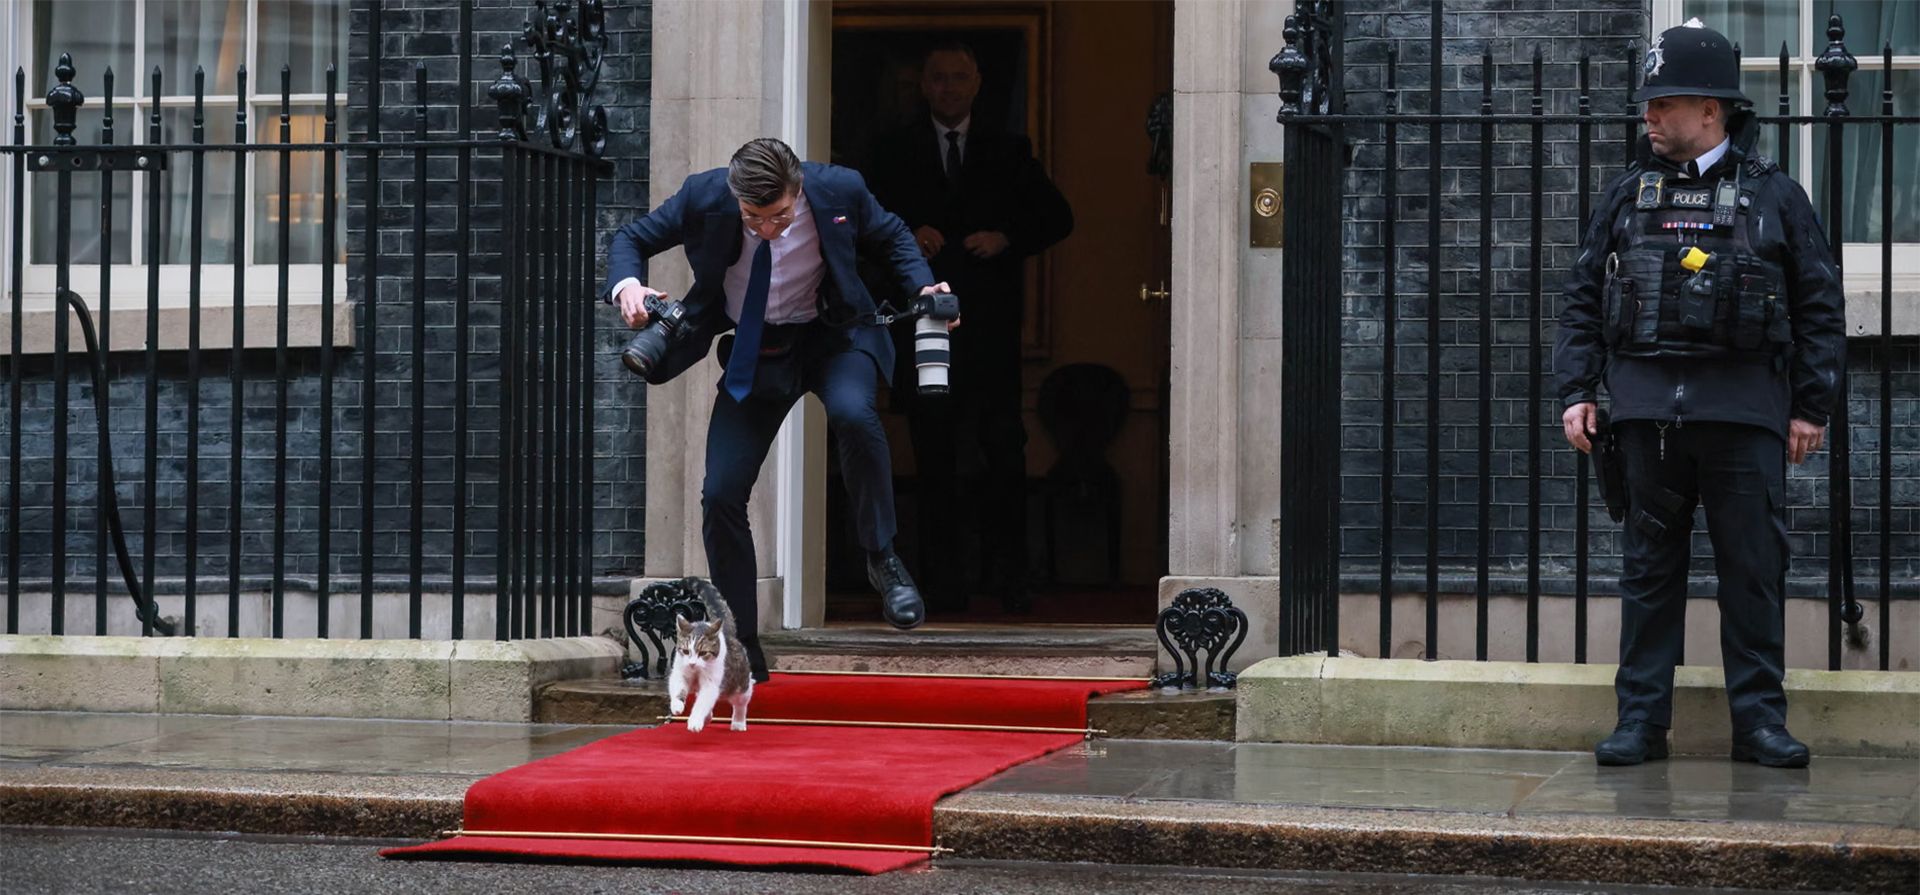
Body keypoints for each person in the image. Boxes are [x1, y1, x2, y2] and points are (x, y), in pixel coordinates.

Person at [1553, 20, 1845, 768]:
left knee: (1753, 574)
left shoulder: (1775, 196)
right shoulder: (1628, 193)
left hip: (1744, 414)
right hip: (1646, 415)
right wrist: (1578, 389)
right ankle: (1641, 723)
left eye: (1663, 105)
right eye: (1648, 106)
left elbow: (1819, 305)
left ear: (1710, 110)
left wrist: (1810, 406)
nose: (1648, 117)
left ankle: (1760, 725)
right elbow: (1584, 297)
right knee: (1649, 575)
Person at [605, 138, 954, 682]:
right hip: (758, 348)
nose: (769, 229)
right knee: (720, 491)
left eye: (782, 217)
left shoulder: (840, 188)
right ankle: (741, 644)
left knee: (853, 414)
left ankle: (881, 556)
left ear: (799, 190)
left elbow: (892, 235)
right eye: (754, 219)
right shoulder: (704, 196)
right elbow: (632, 237)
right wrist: (627, 287)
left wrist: (925, 285)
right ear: (735, 199)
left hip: (834, 336)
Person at [866, 42, 1074, 614]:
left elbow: (1057, 217)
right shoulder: (891, 150)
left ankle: (1010, 579)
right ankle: (942, 584)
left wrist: (1006, 237)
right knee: (935, 454)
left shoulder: (1008, 149)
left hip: (990, 326)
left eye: (959, 79)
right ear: (924, 85)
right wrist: (908, 233)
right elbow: (860, 228)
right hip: (922, 326)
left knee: (1003, 449)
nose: (949, 89)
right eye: (938, 79)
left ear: (978, 83)